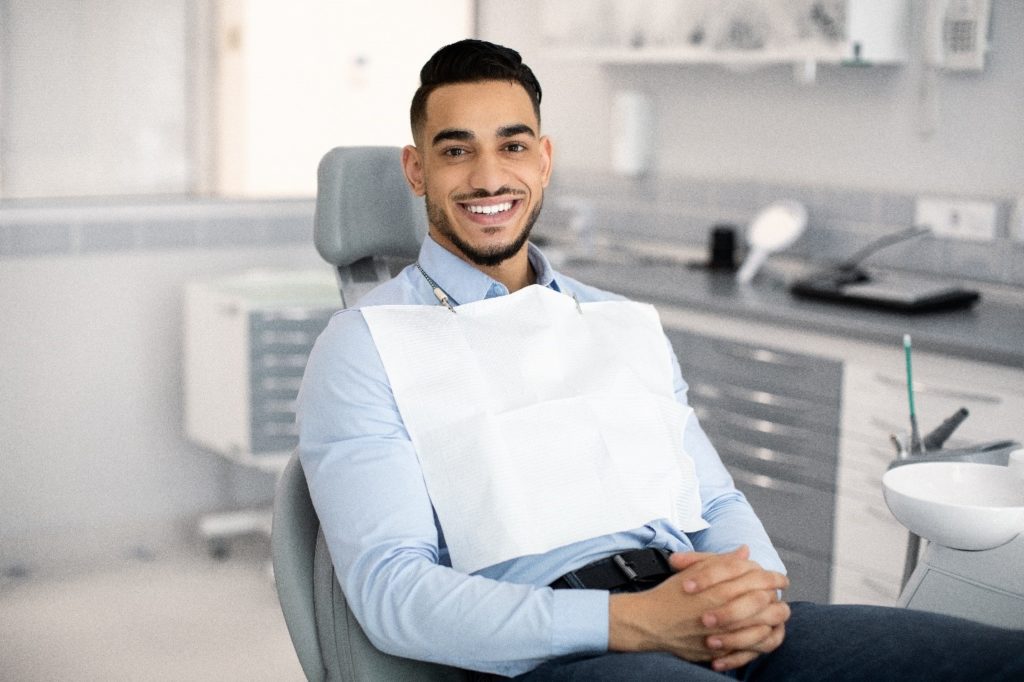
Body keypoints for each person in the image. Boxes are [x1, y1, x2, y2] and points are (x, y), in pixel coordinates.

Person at [297, 39, 1024, 680]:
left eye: (513, 145)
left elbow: (713, 503)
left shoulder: (618, 321)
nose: (489, 177)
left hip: (710, 618)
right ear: (416, 170)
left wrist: (758, 596)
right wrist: (633, 625)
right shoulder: (367, 345)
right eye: (456, 150)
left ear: (543, 161)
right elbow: (393, 591)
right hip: (564, 649)